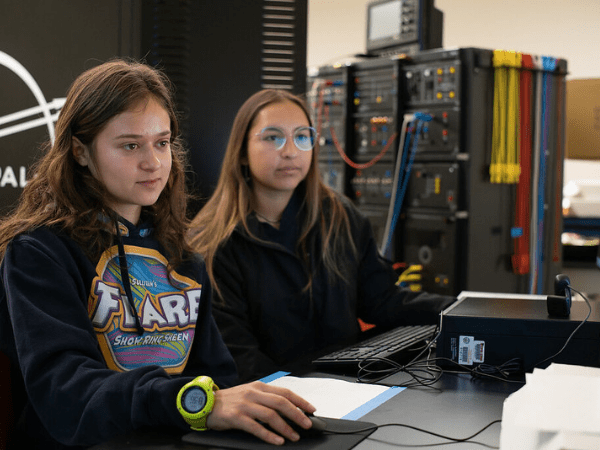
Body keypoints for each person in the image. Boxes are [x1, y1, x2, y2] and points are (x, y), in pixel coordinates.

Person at [0, 60, 317, 449]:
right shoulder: (39, 253)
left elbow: (216, 375)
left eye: (162, 142)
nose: (153, 162)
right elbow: (68, 394)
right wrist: (193, 401)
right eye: (130, 145)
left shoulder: (181, 254)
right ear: (81, 152)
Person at [189, 89, 457, 383]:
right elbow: (239, 359)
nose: (290, 151)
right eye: (272, 137)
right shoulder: (215, 245)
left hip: (351, 385)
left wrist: (460, 309)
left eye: (302, 137)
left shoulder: (338, 216)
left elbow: (383, 300)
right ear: (241, 152)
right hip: (280, 400)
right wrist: (304, 398)